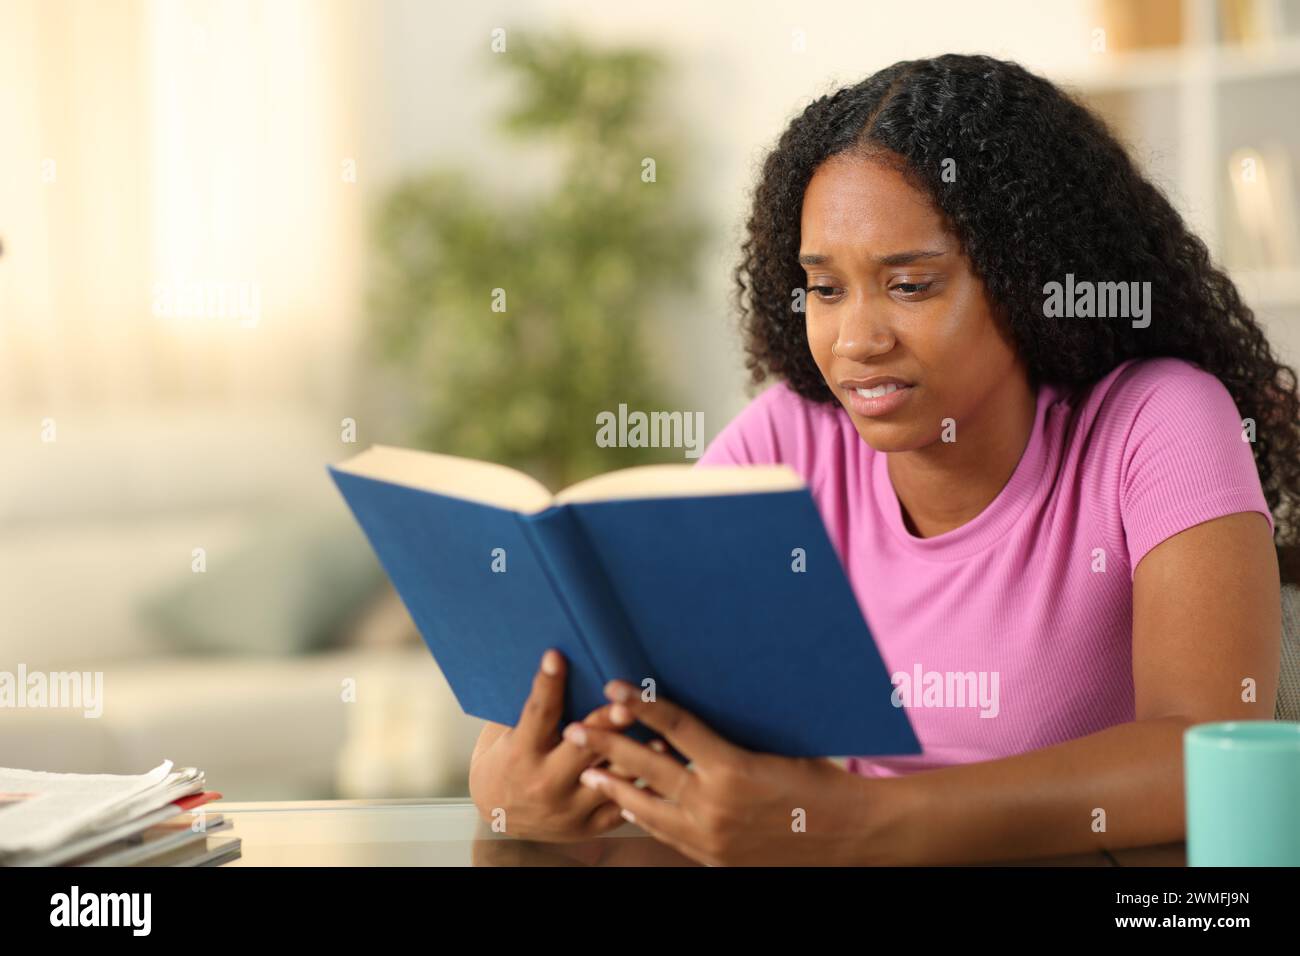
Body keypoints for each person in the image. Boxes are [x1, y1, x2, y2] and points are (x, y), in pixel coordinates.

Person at [468, 53, 1299, 865]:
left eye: (910, 285)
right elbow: (625, 681)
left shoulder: (1159, 420)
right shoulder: (788, 440)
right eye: (826, 289)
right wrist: (506, 783)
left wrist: (855, 823)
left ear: (1028, 277)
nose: (857, 341)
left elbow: (1205, 755)